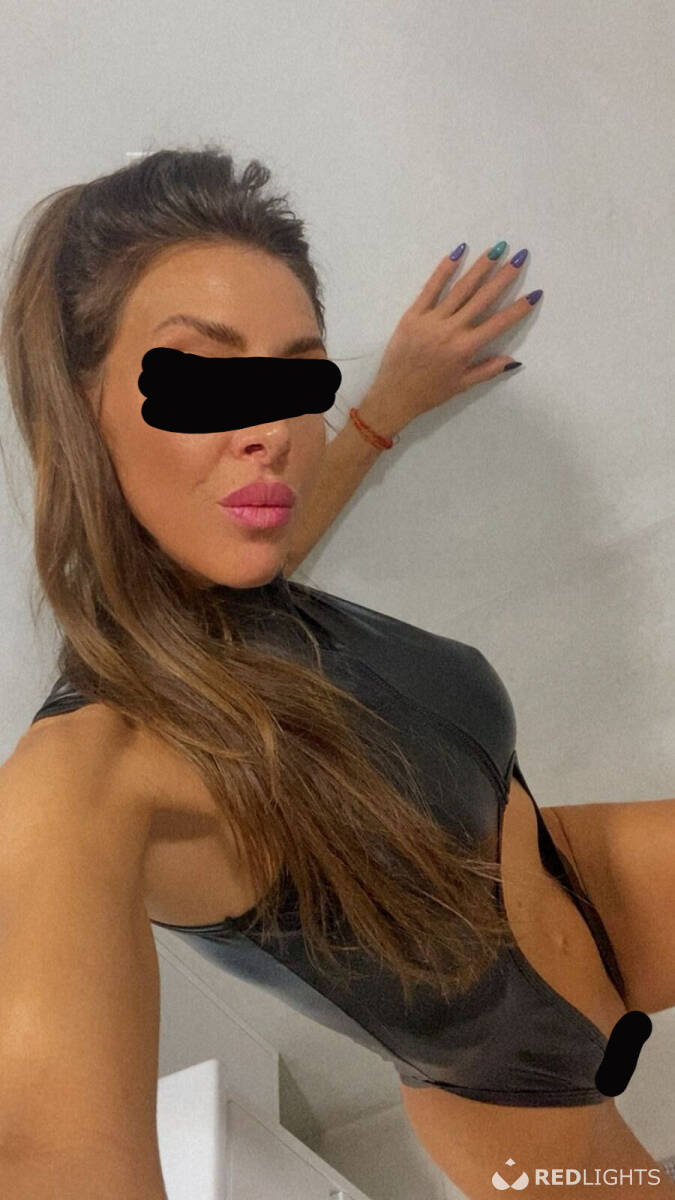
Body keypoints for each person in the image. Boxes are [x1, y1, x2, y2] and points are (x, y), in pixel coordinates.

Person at [0, 145, 673, 1199]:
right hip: (517, 1092)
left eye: (293, 376)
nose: (269, 431)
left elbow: (286, 507)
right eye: (201, 378)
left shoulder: (227, 581)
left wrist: (383, 403)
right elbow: (49, 1151)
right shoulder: (87, 776)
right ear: (80, 408)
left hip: (583, 883)